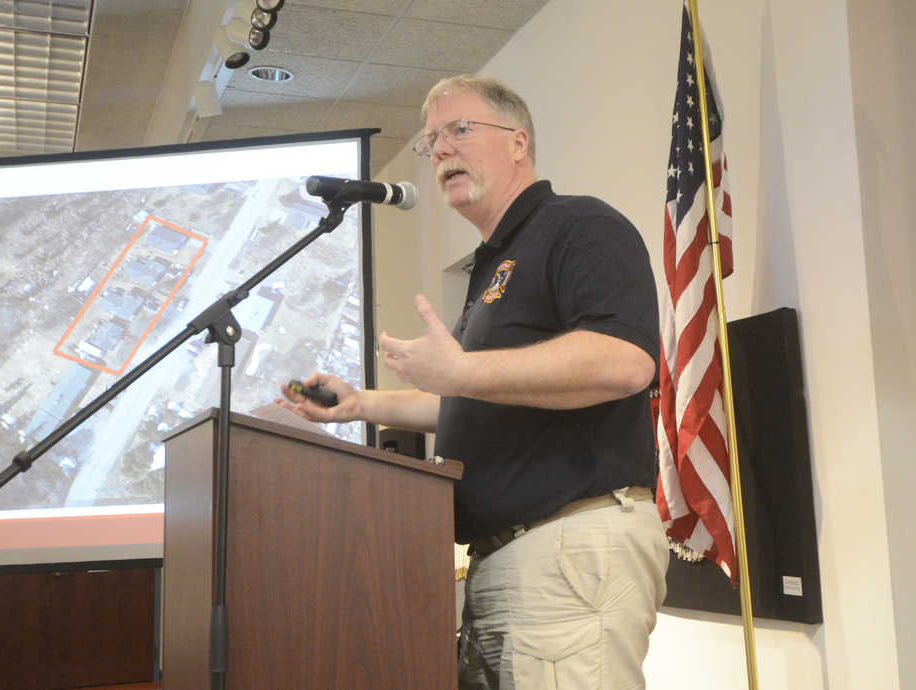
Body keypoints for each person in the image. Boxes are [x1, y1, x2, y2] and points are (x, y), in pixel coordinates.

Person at [278, 74, 669, 689]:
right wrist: (360, 404)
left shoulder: (580, 226)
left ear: (518, 142)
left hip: (567, 545)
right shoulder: (491, 266)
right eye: (430, 140)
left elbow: (625, 362)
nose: (440, 150)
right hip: (504, 557)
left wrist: (461, 370)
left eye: (459, 129)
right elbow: (471, 401)